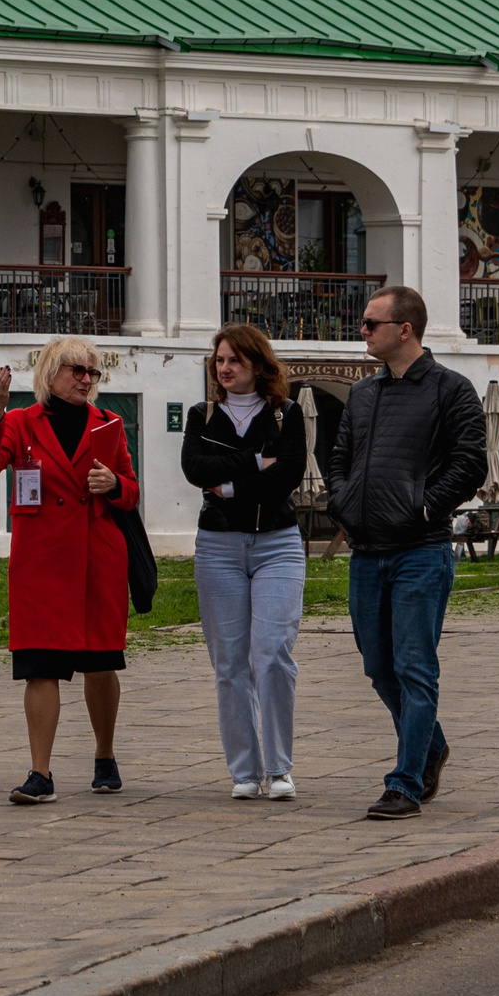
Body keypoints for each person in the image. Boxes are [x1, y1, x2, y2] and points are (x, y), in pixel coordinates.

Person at [324, 284, 487, 820]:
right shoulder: (364, 394)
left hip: (421, 550)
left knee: (415, 667)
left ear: (405, 329)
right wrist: (344, 503)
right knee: (378, 667)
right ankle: (432, 746)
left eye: (371, 323)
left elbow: (469, 464)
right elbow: (339, 457)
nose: (363, 331)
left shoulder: (452, 390)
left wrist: (423, 508)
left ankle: (406, 782)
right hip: (368, 552)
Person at [0, 334, 141, 805]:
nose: (86, 380)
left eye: (93, 373)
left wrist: (114, 484)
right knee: (40, 665)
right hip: (42, 564)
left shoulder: (108, 424)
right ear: (50, 375)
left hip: (96, 560)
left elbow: (130, 491)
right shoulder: (21, 422)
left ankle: (104, 755)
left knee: (101, 663)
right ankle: (40, 773)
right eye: (76, 371)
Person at [181, 324, 307, 802]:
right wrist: (256, 463)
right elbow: (195, 469)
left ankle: (278, 769)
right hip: (218, 547)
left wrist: (231, 483)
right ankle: (243, 770)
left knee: (272, 653)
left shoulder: (286, 415)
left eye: (234, 359)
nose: (225, 368)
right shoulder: (202, 414)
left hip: (278, 543)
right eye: (219, 361)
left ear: (257, 363)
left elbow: (288, 475)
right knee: (229, 662)